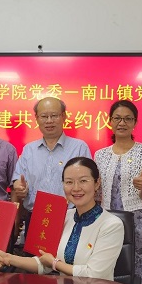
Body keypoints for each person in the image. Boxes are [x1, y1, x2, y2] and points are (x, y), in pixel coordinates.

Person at [0, 157, 124, 280]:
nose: (76, 188)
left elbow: (93, 274)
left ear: (97, 183)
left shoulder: (111, 225)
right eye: (69, 182)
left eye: (83, 181)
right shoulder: (64, 216)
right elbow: (44, 263)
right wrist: (7, 258)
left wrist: (55, 263)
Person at [94, 100, 142, 284]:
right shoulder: (100, 155)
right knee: (109, 265)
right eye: (118, 118)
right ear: (110, 121)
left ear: (135, 122)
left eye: (128, 119)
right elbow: (97, 194)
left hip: (137, 220)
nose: (122, 123)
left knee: (140, 266)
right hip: (107, 220)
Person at [11, 97, 91, 234]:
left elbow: (88, 184)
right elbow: (18, 179)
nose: (49, 121)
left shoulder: (79, 148)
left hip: (70, 218)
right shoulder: (29, 150)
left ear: (64, 116)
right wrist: (19, 187)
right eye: (44, 116)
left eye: (54, 115)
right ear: (37, 118)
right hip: (35, 219)